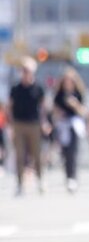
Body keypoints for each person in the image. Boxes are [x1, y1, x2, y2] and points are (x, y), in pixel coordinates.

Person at [6, 57, 47, 195]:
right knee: (20, 154)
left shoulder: (38, 88)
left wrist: (44, 122)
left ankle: (40, 179)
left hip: (34, 124)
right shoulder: (15, 89)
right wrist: (10, 125)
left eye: (28, 71)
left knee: (36, 153)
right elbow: (10, 107)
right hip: (19, 124)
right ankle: (19, 183)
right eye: (23, 71)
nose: (25, 73)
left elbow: (42, 107)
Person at [52, 68, 87, 193]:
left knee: (73, 152)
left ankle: (73, 177)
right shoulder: (59, 95)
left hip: (74, 125)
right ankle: (67, 177)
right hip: (62, 125)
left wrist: (75, 105)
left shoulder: (78, 94)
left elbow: (83, 111)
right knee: (64, 153)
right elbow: (54, 110)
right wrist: (58, 113)